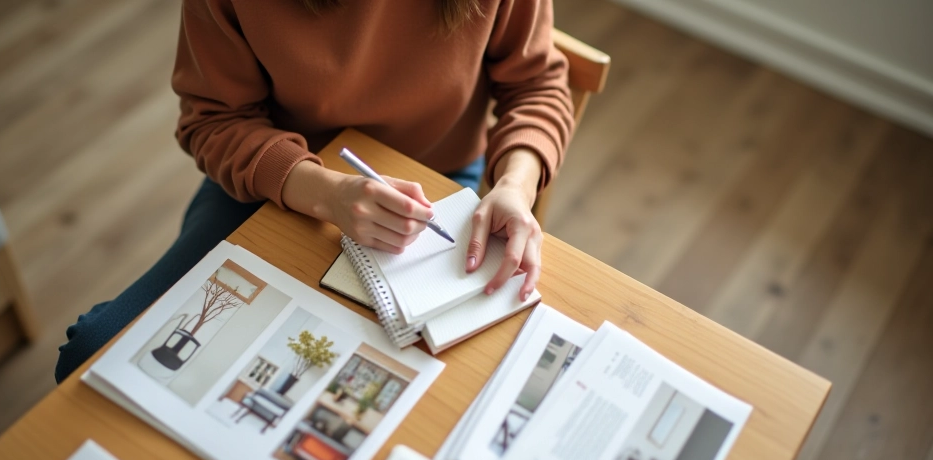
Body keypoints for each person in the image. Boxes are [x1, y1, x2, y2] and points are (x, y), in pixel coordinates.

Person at [54, 0, 574, 383]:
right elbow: (213, 120)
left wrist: (515, 184)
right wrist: (326, 194)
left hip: (435, 179)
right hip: (272, 180)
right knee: (97, 355)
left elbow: (537, 85)